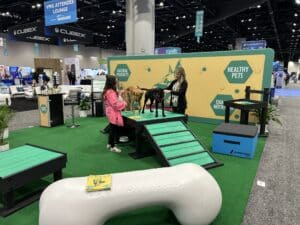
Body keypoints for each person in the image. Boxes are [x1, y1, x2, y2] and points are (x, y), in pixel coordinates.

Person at [102, 75, 127, 153]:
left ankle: (109, 144)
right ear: (112, 82)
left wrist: (119, 93)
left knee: (112, 128)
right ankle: (113, 146)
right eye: (116, 80)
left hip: (111, 112)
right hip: (113, 113)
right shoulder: (110, 92)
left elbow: (113, 99)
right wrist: (124, 103)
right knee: (114, 129)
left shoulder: (108, 91)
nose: (117, 81)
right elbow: (115, 104)